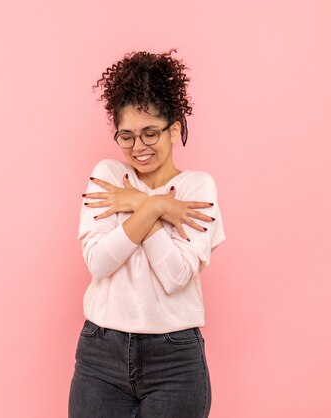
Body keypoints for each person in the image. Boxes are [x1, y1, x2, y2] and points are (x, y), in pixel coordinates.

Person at [68, 49, 226, 418]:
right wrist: (156, 206)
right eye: (127, 136)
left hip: (175, 361)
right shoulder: (108, 176)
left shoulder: (197, 188)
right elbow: (100, 262)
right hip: (100, 353)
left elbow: (176, 276)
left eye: (150, 132)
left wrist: (139, 202)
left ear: (174, 128)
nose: (138, 147)